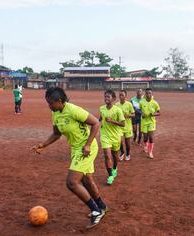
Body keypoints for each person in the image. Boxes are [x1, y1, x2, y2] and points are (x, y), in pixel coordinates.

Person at [31, 87, 107, 229]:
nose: (49, 106)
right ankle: (102, 207)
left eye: (50, 103)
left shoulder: (73, 110)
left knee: (72, 182)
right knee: (87, 180)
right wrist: (43, 145)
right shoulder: (56, 113)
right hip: (76, 149)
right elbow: (56, 134)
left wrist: (88, 145)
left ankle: (95, 211)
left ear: (59, 101)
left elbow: (96, 123)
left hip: (86, 148)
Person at [99, 90, 125, 185]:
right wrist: (98, 123)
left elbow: (123, 123)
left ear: (113, 99)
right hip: (105, 135)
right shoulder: (101, 108)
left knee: (115, 156)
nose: (106, 99)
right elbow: (100, 118)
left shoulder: (118, 110)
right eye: (105, 97)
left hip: (115, 136)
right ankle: (110, 175)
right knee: (107, 155)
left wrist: (112, 121)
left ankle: (114, 168)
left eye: (108, 97)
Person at [140, 88, 160, 159]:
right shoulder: (142, 102)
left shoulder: (155, 103)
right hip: (144, 122)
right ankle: (145, 145)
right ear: (145, 94)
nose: (148, 95)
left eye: (149, 93)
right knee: (145, 137)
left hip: (151, 122)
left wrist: (153, 114)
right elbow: (140, 110)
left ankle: (150, 152)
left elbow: (159, 112)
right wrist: (142, 113)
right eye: (147, 93)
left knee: (151, 137)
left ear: (152, 94)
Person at [115, 90, 135, 161]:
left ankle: (128, 153)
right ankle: (122, 152)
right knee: (119, 141)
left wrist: (128, 115)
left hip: (127, 126)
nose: (121, 96)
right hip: (119, 126)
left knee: (127, 142)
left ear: (125, 96)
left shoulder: (129, 104)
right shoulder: (116, 105)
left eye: (122, 95)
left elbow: (133, 114)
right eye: (120, 95)